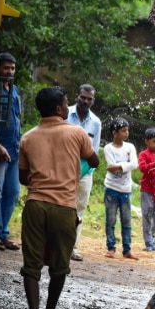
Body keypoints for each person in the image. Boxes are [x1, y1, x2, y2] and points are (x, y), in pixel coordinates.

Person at [17, 86, 100, 309]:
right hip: (64, 207)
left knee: (31, 266)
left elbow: (23, 178)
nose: (67, 107)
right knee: (59, 266)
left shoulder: (27, 138)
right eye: (65, 104)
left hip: (35, 205)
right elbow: (94, 161)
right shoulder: (77, 133)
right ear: (58, 109)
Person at [65, 83, 102, 261]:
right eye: (83, 97)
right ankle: (53, 245)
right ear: (76, 97)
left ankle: (72, 247)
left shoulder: (96, 122)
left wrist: (84, 171)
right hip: (62, 169)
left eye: (89, 99)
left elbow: (94, 152)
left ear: (93, 101)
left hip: (85, 172)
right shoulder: (64, 115)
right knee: (60, 206)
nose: (85, 101)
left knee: (78, 210)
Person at [103, 117, 139, 260]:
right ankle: (111, 248)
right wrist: (126, 165)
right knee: (111, 219)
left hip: (125, 189)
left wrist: (120, 166)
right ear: (115, 133)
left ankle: (127, 249)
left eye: (127, 130)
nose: (126, 133)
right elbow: (111, 169)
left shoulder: (130, 147)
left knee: (126, 221)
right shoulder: (108, 148)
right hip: (111, 188)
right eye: (123, 131)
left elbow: (134, 164)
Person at [0, 52, 22, 251]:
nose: (10, 72)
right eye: (6, 68)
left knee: (13, 191)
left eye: (12, 68)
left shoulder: (14, 91)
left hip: (14, 148)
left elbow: (16, 119)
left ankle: (2, 232)